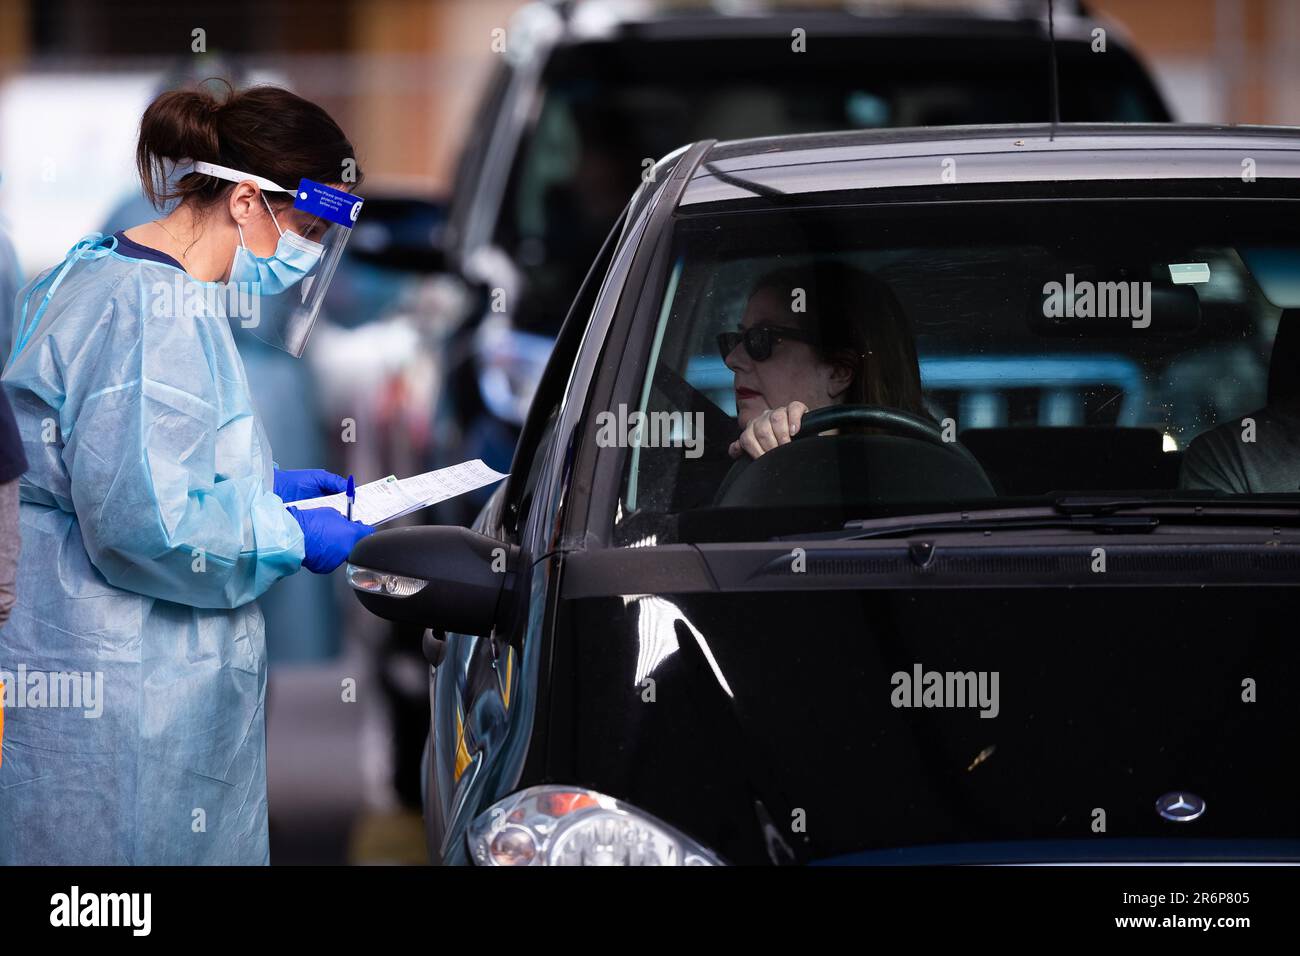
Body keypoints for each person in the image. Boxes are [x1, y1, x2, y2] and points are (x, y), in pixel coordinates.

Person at [0, 83, 374, 865]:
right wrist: (281, 529)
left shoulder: (104, 273)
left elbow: (137, 466)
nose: (306, 255)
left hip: (105, 678)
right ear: (246, 201)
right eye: (305, 229)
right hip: (121, 695)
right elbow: (147, 524)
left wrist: (257, 489)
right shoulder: (151, 310)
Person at [719, 261, 928, 459]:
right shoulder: (713, 462)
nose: (732, 359)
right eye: (736, 340)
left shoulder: (931, 475)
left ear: (839, 371)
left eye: (760, 339)